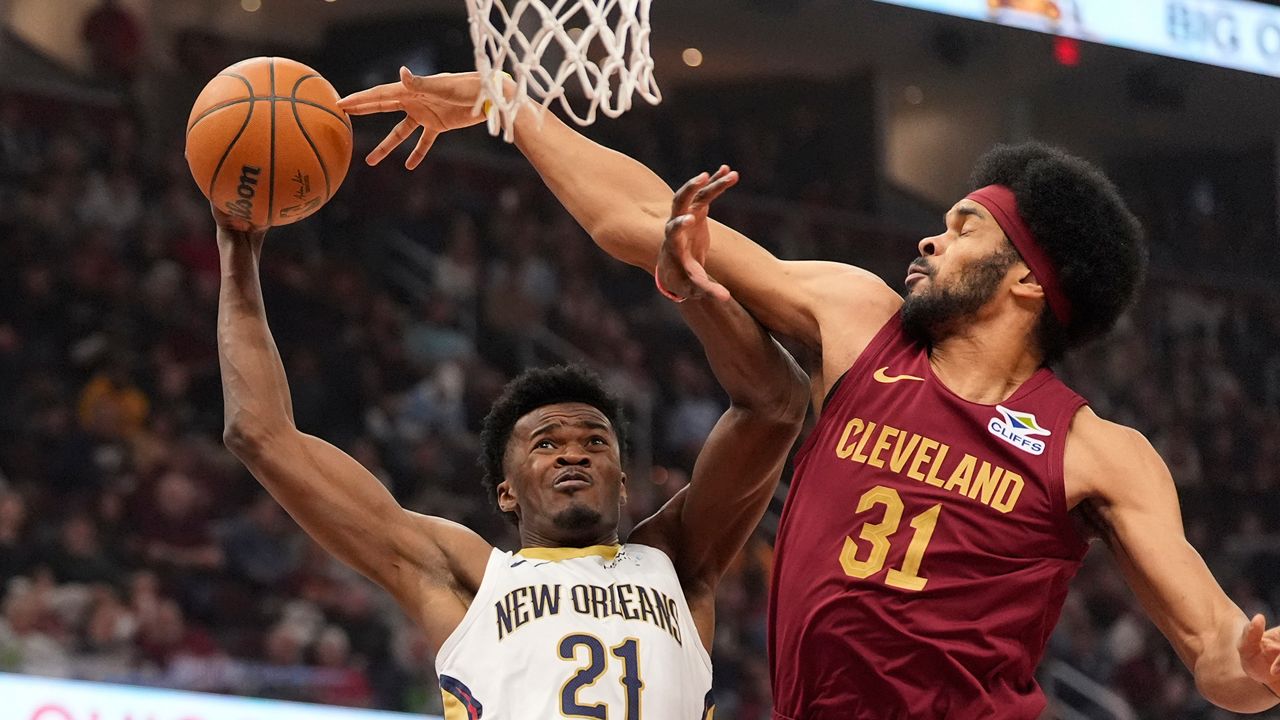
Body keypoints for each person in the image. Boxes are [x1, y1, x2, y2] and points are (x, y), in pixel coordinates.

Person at [338, 69, 1280, 717]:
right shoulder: (858, 320)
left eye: (960, 230)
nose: (928, 241)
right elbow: (646, 220)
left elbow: (1212, 651)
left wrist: (1253, 669)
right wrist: (512, 106)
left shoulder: (1097, 450)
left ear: (1027, 281)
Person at [213, 190, 808, 717]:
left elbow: (777, 406)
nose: (573, 454)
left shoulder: (676, 561)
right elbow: (259, 432)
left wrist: (695, 292)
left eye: (594, 442)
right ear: (505, 490)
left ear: (623, 482)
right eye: (547, 443)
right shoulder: (466, 575)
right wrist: (238, 253)